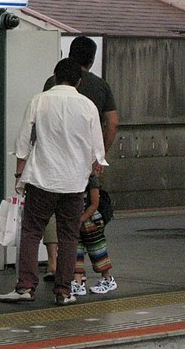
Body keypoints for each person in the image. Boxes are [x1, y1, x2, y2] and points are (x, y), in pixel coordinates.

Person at [0, 58, 108, 306]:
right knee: (68, 236)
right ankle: (64, 291)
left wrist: (19, 176)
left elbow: (23, 142)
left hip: (41, 179)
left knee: (31, 232)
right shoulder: (88, 106)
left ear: (55, 77)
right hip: (74, 183)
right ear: (79, 81)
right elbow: (97, 153)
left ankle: (25, 287)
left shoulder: (39, 100)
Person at [41, 36, 119, 282]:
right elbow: (112, 123)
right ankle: (85, 271)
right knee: (87, 211)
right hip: (85, 160)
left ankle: (55, 262)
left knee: (53, 209)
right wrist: (100, 155)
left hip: (54, 159)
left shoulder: (51, 83)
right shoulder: (100, 86)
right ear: (92, 59)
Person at [71, 172, 117, 296]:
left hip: (91, 221)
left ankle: (107, 279)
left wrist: (81, 219)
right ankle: (77, 281)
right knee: (76, 249)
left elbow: (94, 204)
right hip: (78, 220)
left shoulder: (91, 179)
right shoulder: (74, 175)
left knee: (97, 250)